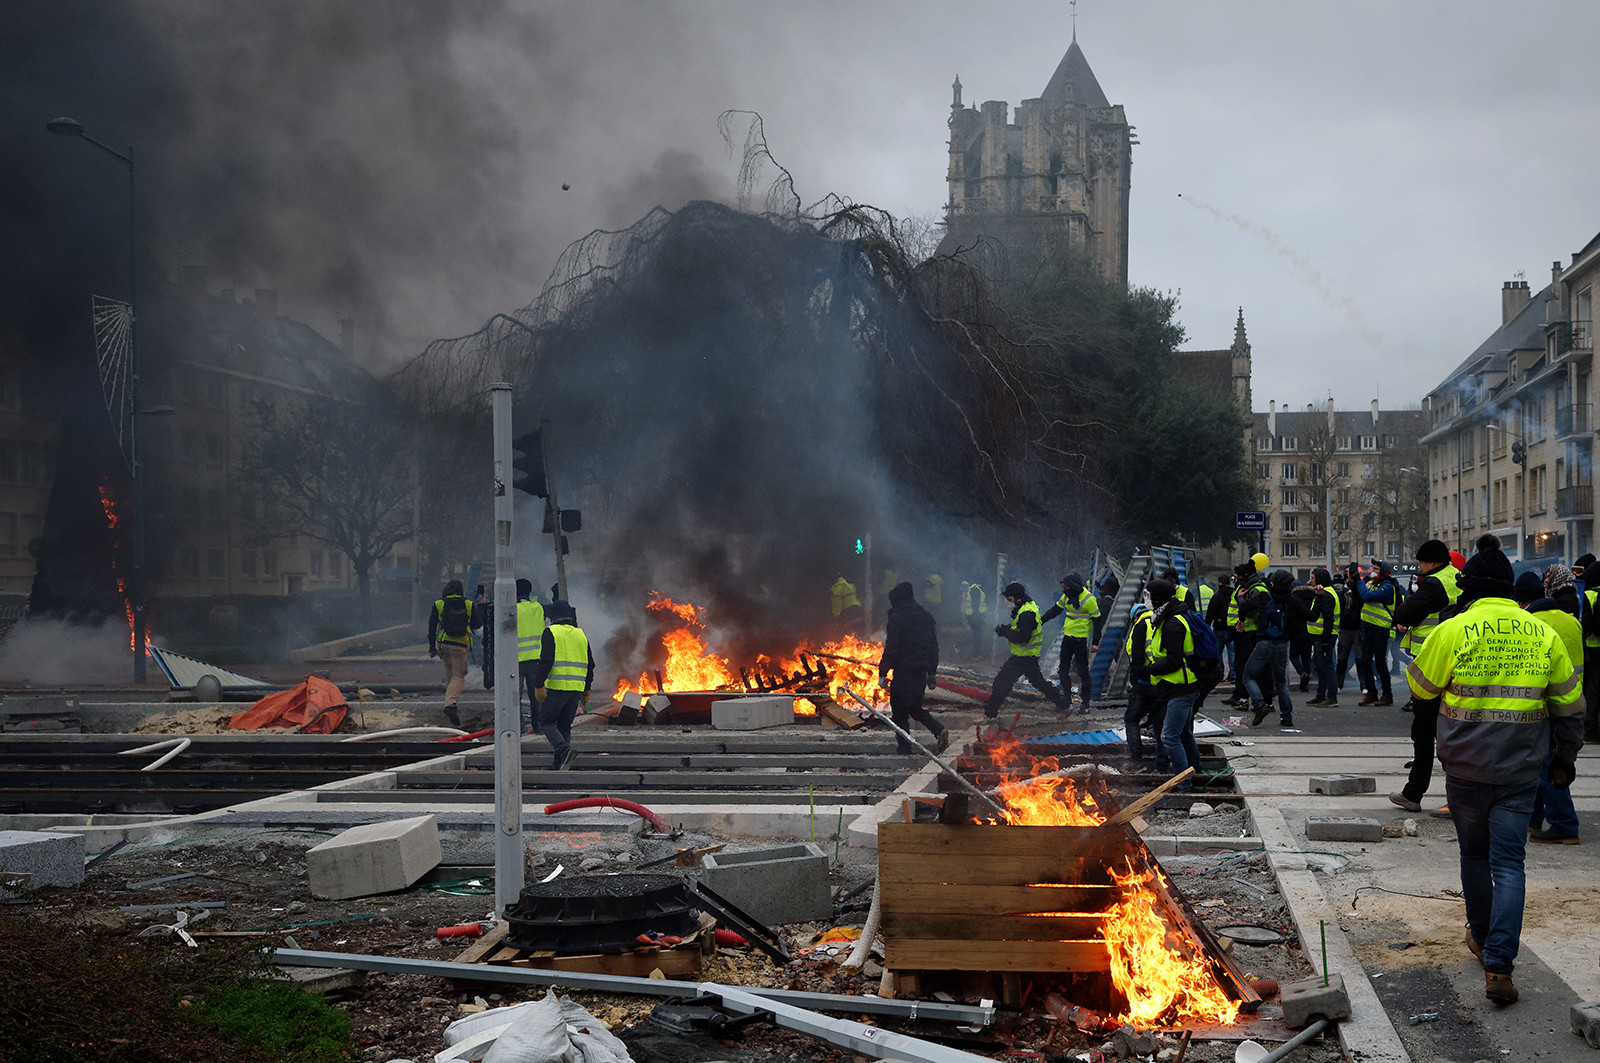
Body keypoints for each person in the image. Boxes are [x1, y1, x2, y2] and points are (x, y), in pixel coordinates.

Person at [1405, 543, 1582, 1006]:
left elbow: (1420, 688)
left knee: (1474, 855)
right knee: (1509, 863)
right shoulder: (1542, 632)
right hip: (1520, 769)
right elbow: (1569, 706)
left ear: (1469, 590)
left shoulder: (1453, 629)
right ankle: (1500, 964)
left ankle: (1482, 939)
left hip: (1465, 767)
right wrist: (1566, 758)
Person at [1387, 540, 1464, 812]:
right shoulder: (1456, 577)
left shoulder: (1434, 584)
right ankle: (1458, 796)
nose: (1419, 567)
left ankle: (1414, 793)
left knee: (1423, 732)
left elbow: (1405, 612)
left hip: (1432, 664)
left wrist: (1406, 611)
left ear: (1431, 562)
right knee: (1454, 732)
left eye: (1421, 562)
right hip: (1458, 661)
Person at [1527, 564, 1584, 844]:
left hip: (1546, 702)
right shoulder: (1571, 619)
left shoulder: (1534, 624)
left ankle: (1564, 823)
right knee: (1548, 759)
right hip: (1572, 699)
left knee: (1546, 762)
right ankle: (1534, 818)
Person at [878, 582, 951, 754]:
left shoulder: (897, 617)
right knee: (914, 708)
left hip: (904, 671)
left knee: (899, 712)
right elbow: (933, 647)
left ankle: (904, 748)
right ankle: (938, 730)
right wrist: (932, 672)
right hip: (920, 671)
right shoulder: (925, 617)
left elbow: (893, 647)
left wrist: (883, 672)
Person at [1144, 580, 1204, 777]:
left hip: (1181, 688)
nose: (1148, 601)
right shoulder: (1167, 617)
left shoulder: (1173, 623)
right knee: (1184, 734)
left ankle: (1184, 782)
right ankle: (1197, 772)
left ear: (1157, 599)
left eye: (1149, 597)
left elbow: (1174, 661)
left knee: (1169, 737)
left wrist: (1149, 669)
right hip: (1178, 686)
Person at [983, 582, 1069, 717]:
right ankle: (1063, 704)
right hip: (1027, 656)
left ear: (1018, 599)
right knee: (1040, 683)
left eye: (1009, 598)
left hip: (1023, 657)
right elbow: (1021, 628)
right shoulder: (1025, 608)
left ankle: (990, 713)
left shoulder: (1026, 613)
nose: (1006, 601)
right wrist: (1007, 629)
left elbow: (1023, 637)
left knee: (1002, 682)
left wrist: (1005, 632)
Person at [529, 600, 594, 770]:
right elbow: (590, 664)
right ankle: (561, 762)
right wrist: (587, 689)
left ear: (552, 617)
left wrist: (538, 684)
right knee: (564, 725)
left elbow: (546, 661)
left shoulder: (551, 632)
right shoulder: (581, 634)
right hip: (576, 689)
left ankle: (564, 749)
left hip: (558, 687)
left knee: (546, 722)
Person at [1242, 570, 1308, 727]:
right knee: (1281, 682)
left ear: (1273, 583)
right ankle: (1287, 717)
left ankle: (1259, 705)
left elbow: (1245, 606)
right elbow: (1311, 615)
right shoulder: (1292, 600)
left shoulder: (1264, 597)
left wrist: (1241, 614)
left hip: (1264, 642)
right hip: (1282, 644)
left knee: (1248, 676)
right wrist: (1318, 598)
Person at [1040, 572, 1100, 710]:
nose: (1063, 590)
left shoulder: (1089, 599)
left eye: (1065, 587)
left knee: (1083, 672)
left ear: (1073, 586)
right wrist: (1040, 621)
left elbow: (1097, 621)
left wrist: (1095, 642)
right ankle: (1067, 700)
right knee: (1063, 671)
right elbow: (1055, 610)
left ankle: (1085, 703)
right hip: (1067, 638)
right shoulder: (1067, 596)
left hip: (1080, 641)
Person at [428, 578, 479, 728]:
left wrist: (432, 647)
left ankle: (449, 701)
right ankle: (450, 705)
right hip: (459, 645)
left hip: (443, 644)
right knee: (460, 674)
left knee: (450, 670)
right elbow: (477, 625)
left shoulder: (439, 604)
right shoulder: (468, 604)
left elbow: (431, 627)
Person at [1121, 603, 1165, 770]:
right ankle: (1162, 765)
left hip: (1145, 682)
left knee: (1131, 718)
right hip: (1162, 682)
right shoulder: (1159, 622)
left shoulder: (1139, 626)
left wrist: (1133, 682)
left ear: (1134, 616)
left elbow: (1136, 657)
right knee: (1159, 723)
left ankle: (1136, 759)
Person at [1352, 559, 1401, 706]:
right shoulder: (1375, 584)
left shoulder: (1388, 587)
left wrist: (1359, 581)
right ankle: (1372, 693)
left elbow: (1367, 596)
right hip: (1368, 629)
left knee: (1380, 663)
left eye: (1376, 569)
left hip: (1381, 629)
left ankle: (1387, 694)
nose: (1373, 571)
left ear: (1384, 572)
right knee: (1365, 661)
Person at [1226, 561, 1267, 705]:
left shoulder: (1255, 589)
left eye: (1238, 577)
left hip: (1250, 633)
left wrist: (1241, 600)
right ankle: (1242, 696)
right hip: (1244, 632)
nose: (1236, 580)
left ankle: (1247, 699)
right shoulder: (1248, 588)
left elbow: (1250, 611)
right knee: (1243, 667)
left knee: (1246, 668)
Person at [514, 578, 547, 734]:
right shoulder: (538, 608)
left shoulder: (512, 609)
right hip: (535, 660)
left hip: (516, 660)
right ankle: (538, 726)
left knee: (515, 697)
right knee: (536, 696)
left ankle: (518, 727)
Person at [1304, 568, 1340, 706]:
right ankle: (1320, 695)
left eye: (1313, 578)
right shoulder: (1325, 592)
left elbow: (1328, 619)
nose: (1311, 580)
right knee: (1320, 667)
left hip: (1324, 637)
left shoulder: (1326, 595)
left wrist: (1325, 640)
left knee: (1327, 667)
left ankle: (1331, 697)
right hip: (1321, 637)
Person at [960, 580, 988, 655]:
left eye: (966, 586)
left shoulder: (970, 592)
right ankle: (961, 645)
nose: (965, 588)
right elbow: (971, 605)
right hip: (972, 616)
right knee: (976, 635)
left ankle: (976, 651)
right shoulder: (971, 592)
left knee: (977, 634)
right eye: (964, 586)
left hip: (973, 616)